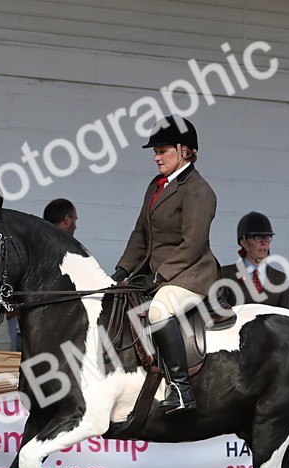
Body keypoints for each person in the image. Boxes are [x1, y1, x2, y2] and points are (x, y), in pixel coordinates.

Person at [113, 115, 217, 413]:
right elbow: (140, 234)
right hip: (157, 272)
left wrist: (159, 276)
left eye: (163, 151)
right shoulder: (156, 186)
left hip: (190, 273)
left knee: (159, 310)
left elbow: (192, 245)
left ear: (185, 151)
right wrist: (121, 271)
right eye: (155, 152)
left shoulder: (199, 190)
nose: (156, 157)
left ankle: (181, 389)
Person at [217, 211, 289, 311]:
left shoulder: (281, 279)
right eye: (257, 238)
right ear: (243, 242)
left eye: (267, 238)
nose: (263, 243)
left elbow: (287, 320)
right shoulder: (224, 274)